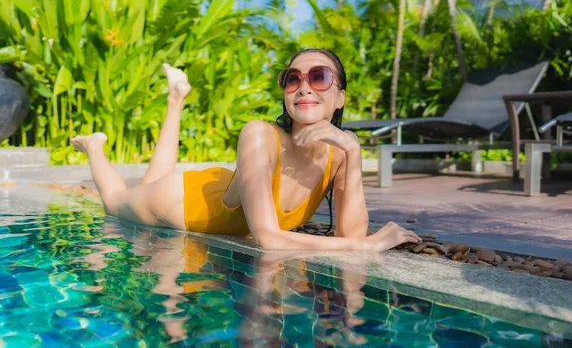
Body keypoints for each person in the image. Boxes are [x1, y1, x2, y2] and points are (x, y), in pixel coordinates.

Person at [71, 48, 421, 251]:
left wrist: (354, 153)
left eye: (319, 77)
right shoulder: (259, 133)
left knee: (153, 175)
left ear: (340, 95)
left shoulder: (341, 150)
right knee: (115, 202)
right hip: (183, 202)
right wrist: (369, 245)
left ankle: (176, 97)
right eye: (293, 79)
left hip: (231, 186)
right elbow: (268, 238)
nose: (304, 87)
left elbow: (350, 233)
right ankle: (94, 146)